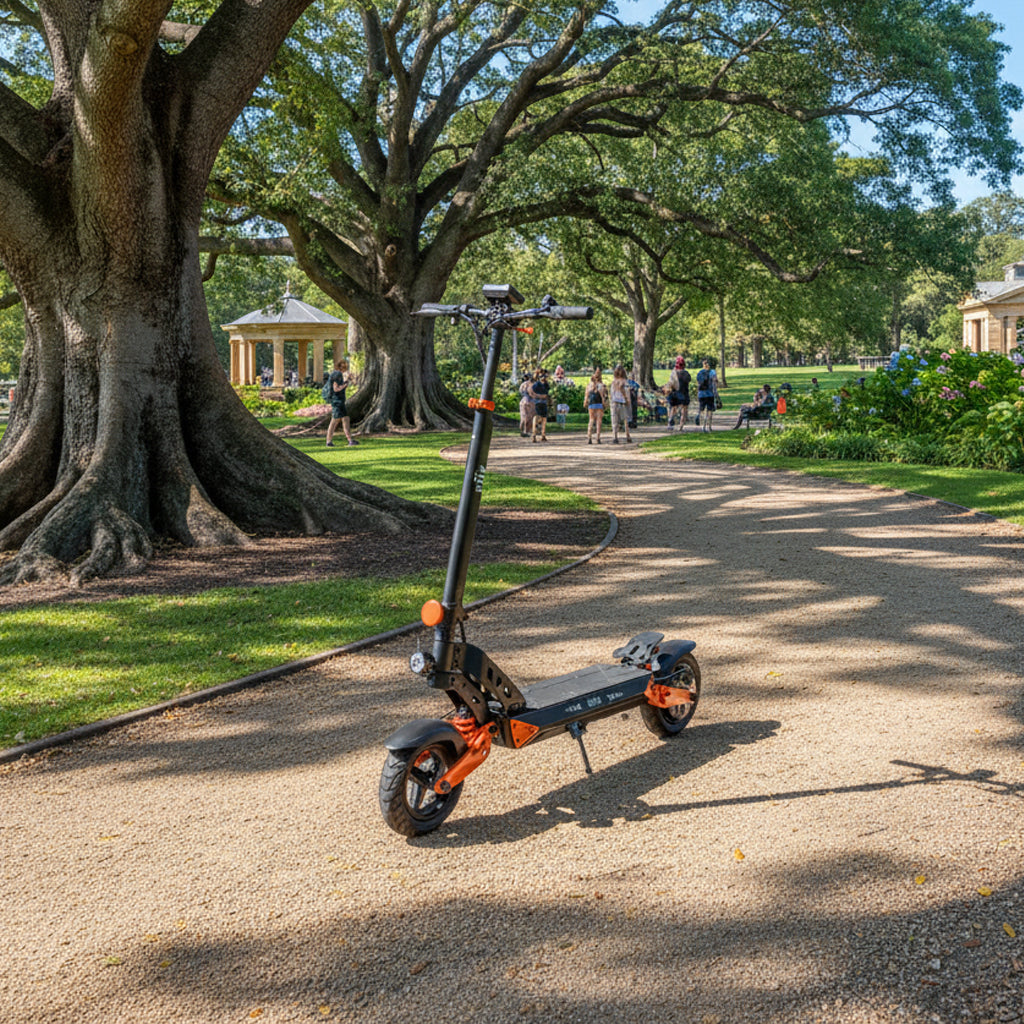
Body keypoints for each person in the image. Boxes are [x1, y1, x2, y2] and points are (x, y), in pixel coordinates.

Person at [325, 361, 358, 447]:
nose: (345, 368)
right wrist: (345, 385)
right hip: (337, 402)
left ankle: (349, 440)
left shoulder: (338, 375)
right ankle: (329, 441)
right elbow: (336, 389)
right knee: (336, 421)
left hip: (339, 402)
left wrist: (346, 382)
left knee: (344, 420)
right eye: (344, 367)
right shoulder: (337, 375)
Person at [664, 356, 691, 432]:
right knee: (684, 410)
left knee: (673, 408)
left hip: (675, 393)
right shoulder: (686, 373)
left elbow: (670, 383)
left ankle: (670, 421)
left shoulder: (674, 373)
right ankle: (681, 426)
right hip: (684, 393)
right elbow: (689, 380)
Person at [609, 364, 633, 443]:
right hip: (623, 402)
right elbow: (625, 391)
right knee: (625, 420)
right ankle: (628, 436)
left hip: (614, 402)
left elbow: (611, 393)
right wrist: (627, 399)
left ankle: (615, 437)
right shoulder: (624, 381)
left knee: (614, 420)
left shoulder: (613, 382)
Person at [584, 370, 607, 444]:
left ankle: (589, 437)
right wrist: (604, 403)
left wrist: (585, 402)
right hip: (599, 404)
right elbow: (603, 396)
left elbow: (586, 395)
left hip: (591, 404)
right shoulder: (601, 385)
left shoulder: (589, 385)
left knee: (591, 420)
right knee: (599, 421)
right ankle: (598, 438)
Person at [695, 358, 718, 432]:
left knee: (702, 410)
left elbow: (698, 383)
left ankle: (702, 425)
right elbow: (715, 382)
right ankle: (709, 427)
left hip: (701, 394)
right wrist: (716, 394)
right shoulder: (712, 372)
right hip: (710, 394)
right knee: (709, 411)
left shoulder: (700, 373)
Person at [530, 368, 550, 442]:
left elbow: (547, 394)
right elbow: (532, 393)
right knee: (537, 418)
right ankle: (534, 434)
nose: (544, 377)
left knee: (544, 418)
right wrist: (540, 396)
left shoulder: (546, 384)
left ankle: (542, 434)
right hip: (537, 403)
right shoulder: (537, 384)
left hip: (543, 403)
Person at [518, 372, 535, 437]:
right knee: (529, 417)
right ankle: (526, 431)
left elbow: (520, 392)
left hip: (523, 401)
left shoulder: (522, 384)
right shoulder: (532, 384)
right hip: (530, 401)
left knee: (523, 416)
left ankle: (522, 430)